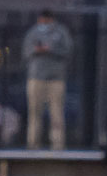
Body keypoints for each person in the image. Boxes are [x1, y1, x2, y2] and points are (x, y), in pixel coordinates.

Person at [22, 9, 73, 151]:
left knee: (56, 114)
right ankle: (33, 145)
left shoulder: (61, 32)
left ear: (51, 19)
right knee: (34, 113)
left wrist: (51, 49)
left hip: (56, 79)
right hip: (35, 78)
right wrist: (37, 50)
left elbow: (68, 52)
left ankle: (57, 146)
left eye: (45, 20)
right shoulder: (33, 33)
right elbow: (26, 52)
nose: (43, 23)